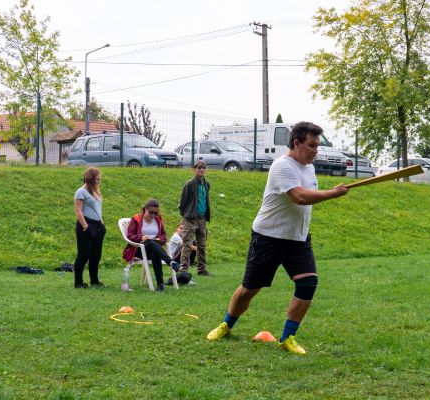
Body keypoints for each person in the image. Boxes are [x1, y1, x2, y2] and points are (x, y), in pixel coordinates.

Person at [206, 121, 350, 355]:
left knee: (308, 283)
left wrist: (330, 192)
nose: (316, 150)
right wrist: (333, 193)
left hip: (298, 239)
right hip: (268, 237)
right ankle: (227, 324)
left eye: (318, 146)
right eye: (311, 145)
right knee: (249, 289)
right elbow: (300, 197)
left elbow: (308, 195)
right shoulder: (282, 166)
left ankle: (287, 337)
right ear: (296, 142)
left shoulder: (309, 168)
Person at [122, 199, 180, 292]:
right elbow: (130, 236)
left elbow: (164, 235)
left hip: (154, 249)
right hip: (138, 249)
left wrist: (160, 240)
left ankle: (160, 285)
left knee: (154, 251)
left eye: (155, 213)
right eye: (151, 212)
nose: (153, 215)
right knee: (149, 242)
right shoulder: (136, 219)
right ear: (145, 209)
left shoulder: (158, 219)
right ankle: (171, 262)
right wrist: (142, 237)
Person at [73, 167, 106, 289]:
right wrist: (85, 225)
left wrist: (101, 222)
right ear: (90, 179)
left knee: (96, 255)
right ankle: (78, 282)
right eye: (97, 179)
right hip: (86, 225)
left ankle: (94, 280)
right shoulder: (80, 192)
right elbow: (78, 210)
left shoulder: (96, 191)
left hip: (98, 225)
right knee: (83, 254)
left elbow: (97, 208)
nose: (99, 180)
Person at [178, 159, 212, 276]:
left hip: (202, 218)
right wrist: (186, 216)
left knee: (202, 245)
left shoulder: (206, 184)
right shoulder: (189, 184)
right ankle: (184, 269)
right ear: (194, 169)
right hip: (190, 218)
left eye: (203, 168)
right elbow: (182, 203)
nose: (201, 170)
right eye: (199, 168)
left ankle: (202, 269)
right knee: (187, 244)